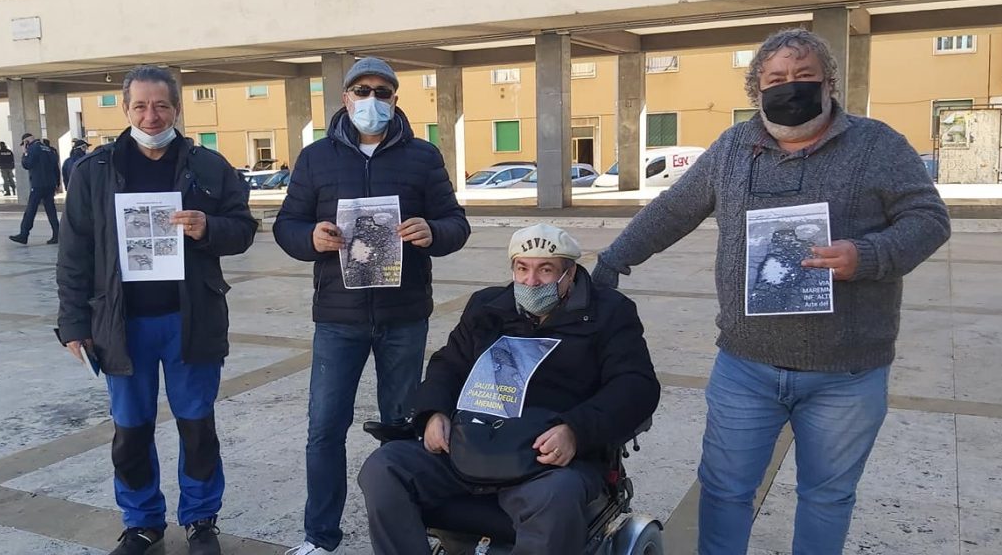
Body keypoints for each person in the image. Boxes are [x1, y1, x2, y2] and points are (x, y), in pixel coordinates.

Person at [591, 28, 951, 555]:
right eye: (775, 78)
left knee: (827, 496)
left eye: (804, 76)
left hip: (846, 373)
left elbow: (929, 219)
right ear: (755, 90)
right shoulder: (734, 148)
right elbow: (674, 209)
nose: (790, 86)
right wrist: (612, 259)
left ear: (829, 83)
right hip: (746, 367)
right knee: (724, 490)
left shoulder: (878, 145)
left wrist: (867, 256)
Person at [358, 223, 659, 555]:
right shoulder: (488, 308)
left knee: (555, 498)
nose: (531, 281)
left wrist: (576, 430)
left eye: (545, 270)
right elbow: (448, 364)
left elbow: (636, 386)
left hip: (548, 460)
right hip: (470, 446)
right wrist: (433, 413)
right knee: (384, 468)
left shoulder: (609, 313)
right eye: (522, 269)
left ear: (569, 273)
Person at [56, 65, 258, 555]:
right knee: (131, 429)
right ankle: (142, 521)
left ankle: (201, 519)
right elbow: (74, 253)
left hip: (190, 320)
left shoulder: (208, 166)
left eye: (161, 105)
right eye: (141, 105)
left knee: (196, 424)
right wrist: (74, 324)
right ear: (125, 109)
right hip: (121, 325)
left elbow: (243, 229)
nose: (151, 115)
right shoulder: (94, 171)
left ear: (176, 108)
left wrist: (208, 227)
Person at [273, 57, 470, 555]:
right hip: (338, 319)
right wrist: (310, 237)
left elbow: (455, 223)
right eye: (362, 90)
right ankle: (320, 536)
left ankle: (409, 531)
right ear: (345, 98)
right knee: (324, 429)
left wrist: (433, 232)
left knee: (403, 430)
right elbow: (286, 225)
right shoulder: (316, 158)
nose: (372, 100)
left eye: (383, 92)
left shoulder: (423, 157)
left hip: (404, 316)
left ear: (395, 100)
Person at [8, 133, 61, 245]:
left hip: (38, 184)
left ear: (26, 141)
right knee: (51, 210)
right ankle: (57, 234)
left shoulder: (32, 148)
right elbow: (56, 167)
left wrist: (24, 153)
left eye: (24, 143)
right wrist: (57, 183)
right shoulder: (48, 149)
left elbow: (27, 164)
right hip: (50, 184)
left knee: (31, 209)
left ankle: (24, 234)